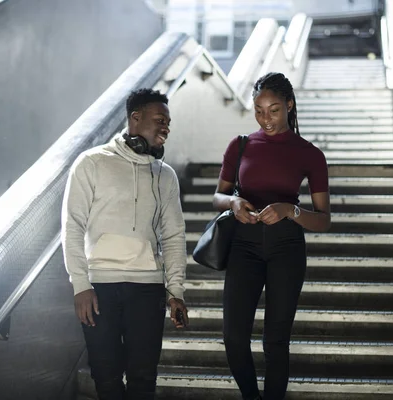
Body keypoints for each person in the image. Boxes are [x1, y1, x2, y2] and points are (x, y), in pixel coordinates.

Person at [62, 88, 189, 400]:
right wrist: (80, 284)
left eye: (169, 123)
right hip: (99, 288)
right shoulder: (91, 163)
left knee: (143, 379)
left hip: (147, 289)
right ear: (136, 118)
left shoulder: (165, 175)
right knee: (105, 378)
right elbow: (72, 226)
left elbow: (173, 235)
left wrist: (176, 292)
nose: (166, 128)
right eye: (160, 120)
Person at [212, 72, 331, 400]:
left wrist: (289, 210)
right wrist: (234, 201)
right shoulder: (240, 145)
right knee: (234, 337)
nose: (266, 118)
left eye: (274, 110)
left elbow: (323, 220)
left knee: (275, 341)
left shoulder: (309, 154)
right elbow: (217, 198)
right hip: (243, 248)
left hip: (287, 250)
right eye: (259, 110)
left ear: (290, 106)